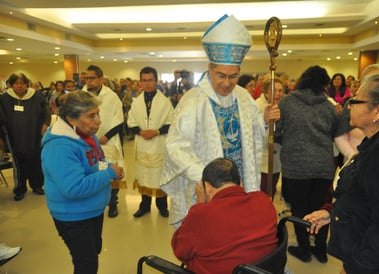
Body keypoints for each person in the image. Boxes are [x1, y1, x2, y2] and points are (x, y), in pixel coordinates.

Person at [160, 14, 279, 226]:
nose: (227, 83)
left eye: (233, 76)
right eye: (221, 76)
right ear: (210, 70)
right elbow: (175, 146)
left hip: (240, 182)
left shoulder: (243, 97)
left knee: (238, 230)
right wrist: (207, 178)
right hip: (207, 186)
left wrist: (266, 121)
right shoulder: (192, 100)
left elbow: (256, 136)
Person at [304, 70, 379, 274]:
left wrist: (356, 268)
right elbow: (366, 197)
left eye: (356, 101)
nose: (349, 105)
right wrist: (332, 212)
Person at [41, 91, 124, 274]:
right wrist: (110, 173)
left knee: (93, 251)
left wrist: (110, 167)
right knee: (86, 264)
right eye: (91, 116)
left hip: (91, 209)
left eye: (98, 114)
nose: (99, 121)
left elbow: (96, 162)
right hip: (74, 216)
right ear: (71, 119)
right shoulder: (60, 147)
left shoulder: (87, 135)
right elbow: (74, 188)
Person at [172, 158, 278, 273]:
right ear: (240, 183)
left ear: (207, 187)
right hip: (263, 270)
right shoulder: (263, 200)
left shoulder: (200, 215)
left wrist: (200, 203)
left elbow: (180, 251)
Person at [276, 65, 337, 263]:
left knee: (300, 209)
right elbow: (334, 133)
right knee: (321, 207)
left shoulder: (286, 102)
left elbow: (277, 132)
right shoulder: (329, 106)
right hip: (323, 165)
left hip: (296, 165)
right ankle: (320, 248)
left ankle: (304, 249)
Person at [127, 67, 174, 218]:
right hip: (142, 143)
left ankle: (162, 206)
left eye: (151, 80)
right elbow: (130, 122)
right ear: (140, 82)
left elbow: (172, 122)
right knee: (143, 174)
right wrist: (140, 132)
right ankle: (144, 206)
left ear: (156, 81)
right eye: (144, 80)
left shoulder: (165, 102)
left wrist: (157, 131)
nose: (147, 84)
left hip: (158, 143)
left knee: (159, 175)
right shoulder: (136, 102)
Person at [0, 72, 50, 201]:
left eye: (22, 83)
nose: (19, 86)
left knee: (35, 162)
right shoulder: (4, 98)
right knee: (19, 164)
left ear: (26, 84)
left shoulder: (37, 96)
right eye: (16, 83)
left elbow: (46, 112)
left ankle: (37, 185)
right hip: (14, 137)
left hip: (34, 135)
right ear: (11, 85)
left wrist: (45, 124)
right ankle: (20, 189)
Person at [83, 65, 125, 218]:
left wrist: (106, 136)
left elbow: (119, 119)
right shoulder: (81, 95)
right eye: (86, 78)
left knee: (111, 169)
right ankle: (94, 202)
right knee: (92, 170)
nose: (89, 81)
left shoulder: (111, 96)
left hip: (108, 140)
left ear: (100, 79)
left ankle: (113, 203)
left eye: (92, 78)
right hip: (86, 141)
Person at [255, 76, 284, 199]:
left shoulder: (280, 106)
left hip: (276, 160)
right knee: (262, 195)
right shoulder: (257, 106)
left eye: (280, 90)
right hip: (263, 160)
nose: (278, 94)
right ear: (266, 91)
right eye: (274, 90)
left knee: (271, 193)